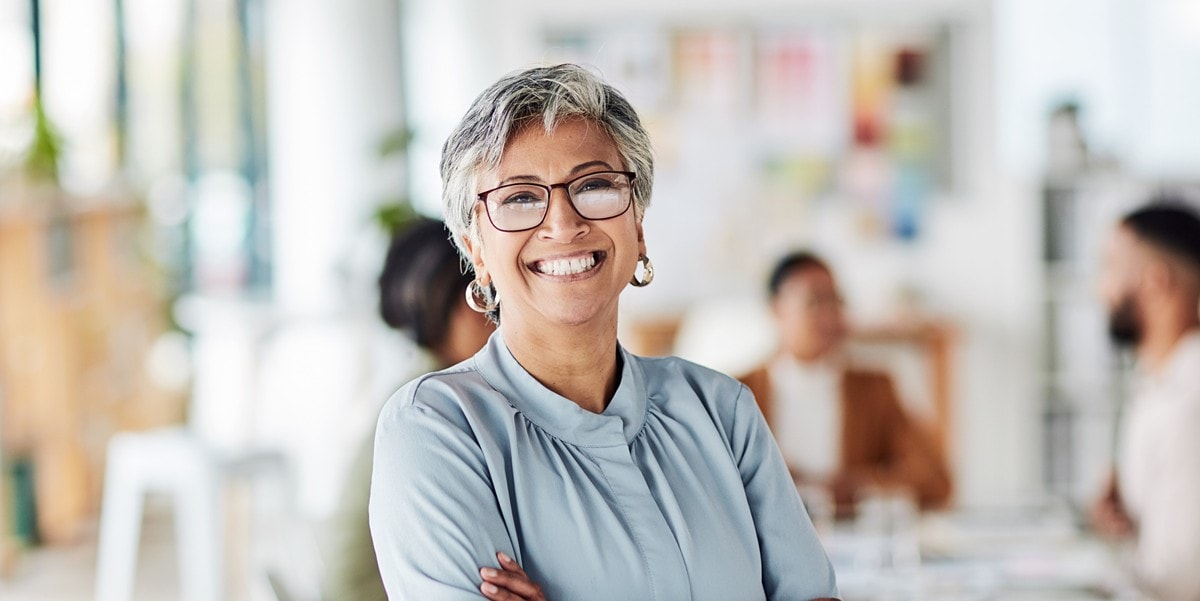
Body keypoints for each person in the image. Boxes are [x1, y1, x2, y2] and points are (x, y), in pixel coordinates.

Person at [368, 64, 838, 601]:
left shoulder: (721, 411)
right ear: (476, 248)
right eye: (519, 198)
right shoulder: (435, 429)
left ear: (637, 223)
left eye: (593, 186)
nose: (563, 224)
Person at [322, 217, 493, 601]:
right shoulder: (438, 403)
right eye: (483, 298)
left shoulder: (425, 384)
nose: (497, 319)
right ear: (456, 306)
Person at [738, 252, 951, 516]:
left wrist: (861, 485)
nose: (830, 315)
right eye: (815, 301)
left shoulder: (874, 389)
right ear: (776, 309)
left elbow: (935, 478)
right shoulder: (738, 392)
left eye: (836, 301)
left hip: (849, 537)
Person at [1091, 202, 1200, 601]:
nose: (1099, 289)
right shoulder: (1157, 381)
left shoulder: (1189, 400)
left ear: (1156, 282)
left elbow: (1182, 579)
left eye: (1110, 267)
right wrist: (1126, 519)